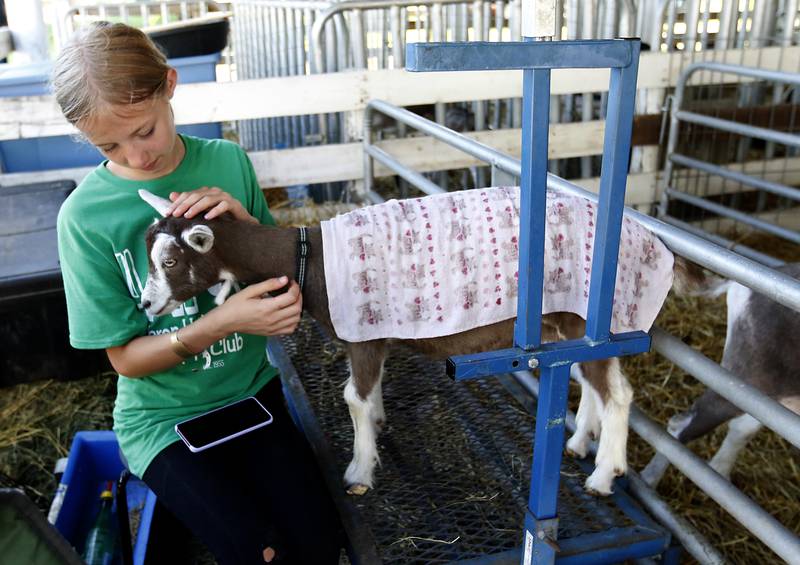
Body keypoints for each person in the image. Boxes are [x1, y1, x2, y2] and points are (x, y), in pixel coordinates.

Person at [53, 22, 342, 564]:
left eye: (144, 131)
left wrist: (243, 228)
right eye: (108, 145)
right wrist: (221, 322)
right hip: (161, 419)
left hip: (253, 391)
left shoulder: (228, 163)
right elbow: (126, 360)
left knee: (323, 546)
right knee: (258, 553)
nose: (136, 157)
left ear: (168, 84)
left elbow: (282, 292)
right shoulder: (84, 220)